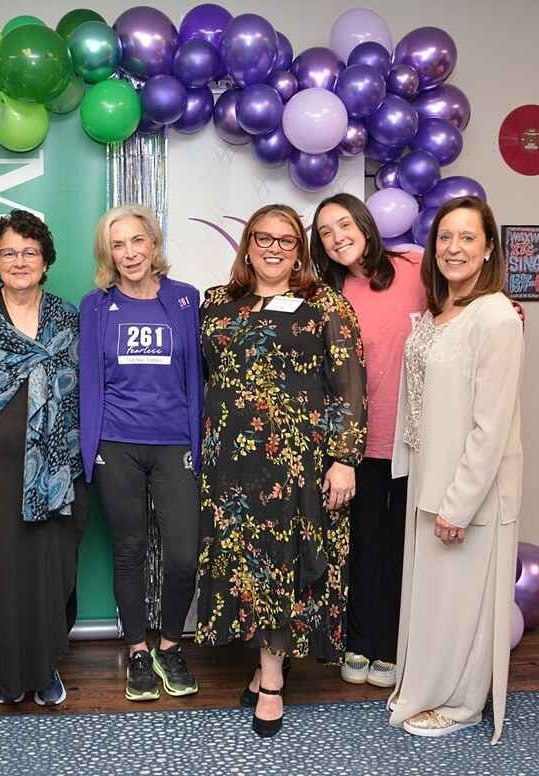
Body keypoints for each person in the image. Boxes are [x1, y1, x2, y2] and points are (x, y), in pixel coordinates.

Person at [195, 203, 367, 737]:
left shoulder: (327, 305)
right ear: (247, 244)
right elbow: (204, 376)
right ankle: (263, 664)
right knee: (246, 571)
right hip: (230, 465)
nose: (273, 248)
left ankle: (272, 680)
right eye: (263, 238)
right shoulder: (217, 303)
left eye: (286, 241)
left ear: (300, 251)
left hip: (297, 465)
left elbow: (351, 386)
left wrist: (344, 458)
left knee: (282, 569)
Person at [388, 196, 523, 742]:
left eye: (468, 237)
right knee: (436, 597)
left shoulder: (495, 317)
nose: (454, 248)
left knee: (463, 600)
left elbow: (491, 427)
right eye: (445, 237)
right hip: (429, 476)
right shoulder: (440, 312)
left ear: (489, 246)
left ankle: (463, 703)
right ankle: (426, 684)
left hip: (470, 488)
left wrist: (459, 503)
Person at [0, 209, 86, 708]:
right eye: (9, 252)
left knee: (48, 567)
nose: (19, 261)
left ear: (46, 261)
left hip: (53, 466)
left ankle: (45, 664)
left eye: (30, 252)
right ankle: (3, 670)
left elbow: (80, 390)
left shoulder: (68, 317)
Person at [79, 204, 203, 701]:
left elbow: (198, 375)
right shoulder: (95, 305)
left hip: (175, 442)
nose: (129, 252)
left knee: (182, 555)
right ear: (107, 253)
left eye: (137, 241)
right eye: (118, 244)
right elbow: (90, 378)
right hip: (118, 443)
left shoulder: (186, 300)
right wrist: (91, 449)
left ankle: (169, 644)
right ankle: (136, 650)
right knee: (128, 550)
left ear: (153, 244)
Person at [310, 193, 425, 689]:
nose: (337, 237)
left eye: (342, 224)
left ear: (364, 222)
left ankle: (390, 646)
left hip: (417, 439)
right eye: (325, 233)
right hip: (356, 444)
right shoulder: (326, 294)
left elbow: (467, 303)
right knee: (361, 548)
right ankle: (357, 642)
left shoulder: (415, 266)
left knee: (404, 548)